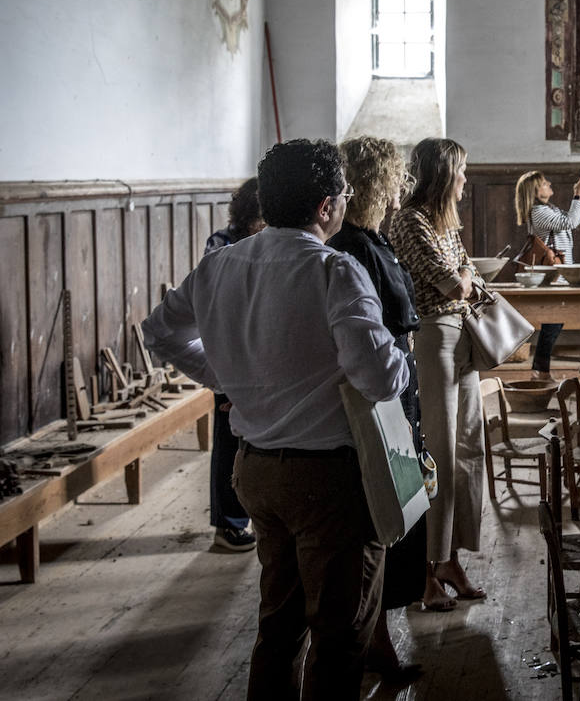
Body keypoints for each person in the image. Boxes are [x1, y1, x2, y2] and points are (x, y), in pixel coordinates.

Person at [141, 139, 409, 700]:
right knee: (340, 637)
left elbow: (160, 331)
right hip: (329, 481)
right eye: (344, 195)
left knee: (279, 628)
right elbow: (379, 378)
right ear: (325, 207)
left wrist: (227, 378)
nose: (345, 203)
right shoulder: (334, 270)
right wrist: (400, 358)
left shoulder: (220, 265)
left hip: (257, 472)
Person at [328, 137, 425, 683]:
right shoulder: (353, 249)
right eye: (392, 181)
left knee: (402, 511)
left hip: (397, 390)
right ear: (375, 184)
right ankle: (373, 645)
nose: (399, 191)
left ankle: (378, 639)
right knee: (383, 517)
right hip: (377, 395)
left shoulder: (372, 239)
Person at [390, 137, 487, 610]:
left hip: (463, 335)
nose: (467, 179)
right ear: (444, 173)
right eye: (462, 171)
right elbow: (454, 281)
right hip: (434, 339)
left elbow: (467, 269)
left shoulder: (445, 222)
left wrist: (463, 278)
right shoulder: (410, 220)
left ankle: (449, 558)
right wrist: (463, 280)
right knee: (440, 454)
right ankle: (426, 572)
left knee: (469, 448)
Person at [203, 177, 265, 553]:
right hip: (229, 352)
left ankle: (251, 514)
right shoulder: (222, 243)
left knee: (254, 436)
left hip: (258, 350)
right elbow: (215, 300)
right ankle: (227, 524)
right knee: (229, 439)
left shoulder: (264, 242)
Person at [514, 170, 580, 379]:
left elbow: (570, 220)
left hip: (559, 273)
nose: (549, 184)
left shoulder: (548, 209)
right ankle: (540, 371)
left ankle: (540, 371)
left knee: (553, 323)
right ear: (534, 191)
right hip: (554, 275)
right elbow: (570, 223)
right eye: (544, 183)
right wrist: (578, 196)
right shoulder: (538, 211)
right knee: (552, 323)